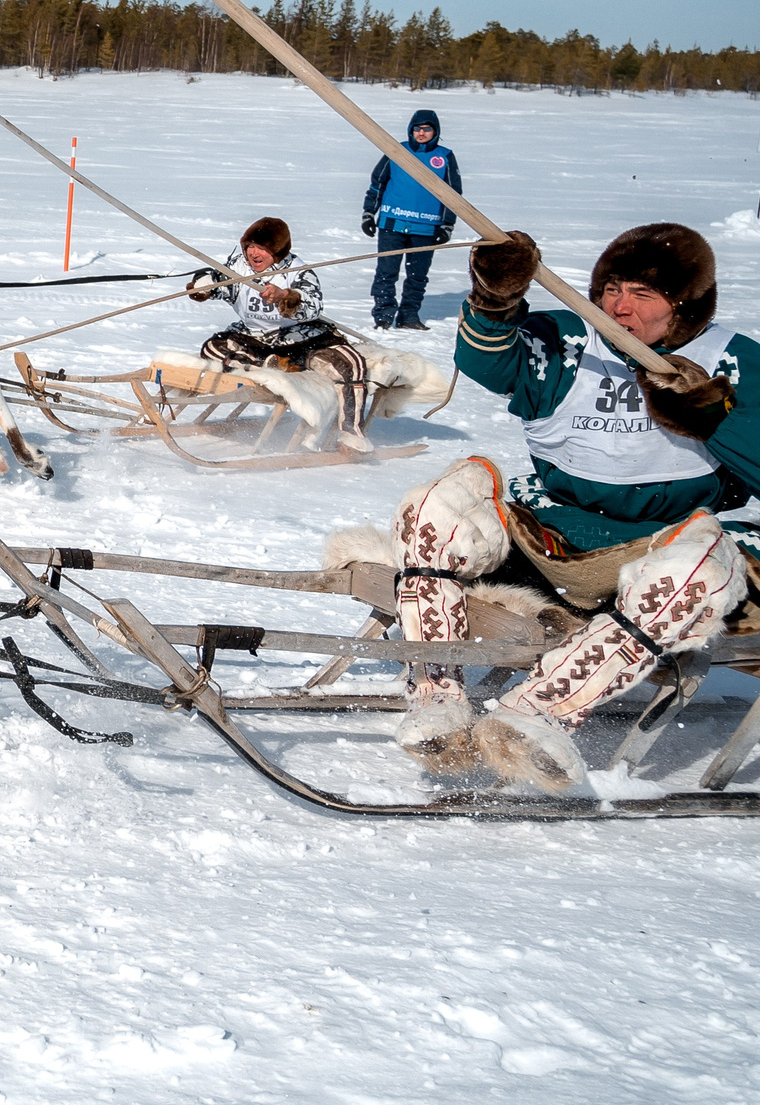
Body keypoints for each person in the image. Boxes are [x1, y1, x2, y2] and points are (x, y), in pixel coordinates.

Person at [382, 221, 758, 790]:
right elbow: (491, 362)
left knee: (695, 568)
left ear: (683, 307)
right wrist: (495, 299)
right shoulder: (567, 341)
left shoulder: (733, 362)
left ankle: (537, 713)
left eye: (643, 294)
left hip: (674, 539)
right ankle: (438, 696)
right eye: (611, 290)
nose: (620, 307)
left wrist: (716, 417)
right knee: (436, 504)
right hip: (553, 532)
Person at [187, 215, 376, 451]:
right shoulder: (239, 266)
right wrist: (204, 285)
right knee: (211, 348)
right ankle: (265, 363)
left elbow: (313, 306)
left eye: (262, 249)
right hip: (253, 337)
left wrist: (285, 298)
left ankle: (350, 433)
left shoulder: (298, 271)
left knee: (351, 363)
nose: (253, 254)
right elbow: (220, 282)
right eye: (250, 247)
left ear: (278, 251)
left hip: (298, 337)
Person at [361, 109, 459, 330]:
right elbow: (377, 183)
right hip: (392, 223)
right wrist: (369, 213)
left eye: (426, 129)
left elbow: (454, 195)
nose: (421, 133)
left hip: (426, 227)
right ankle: (384, 316)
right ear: (410, 130)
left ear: (435, 131)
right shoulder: (396, 151)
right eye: (417, 128)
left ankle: (409, 316)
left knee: (417, 276)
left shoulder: (444, 157)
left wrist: (447, 225)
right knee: (386, 272)